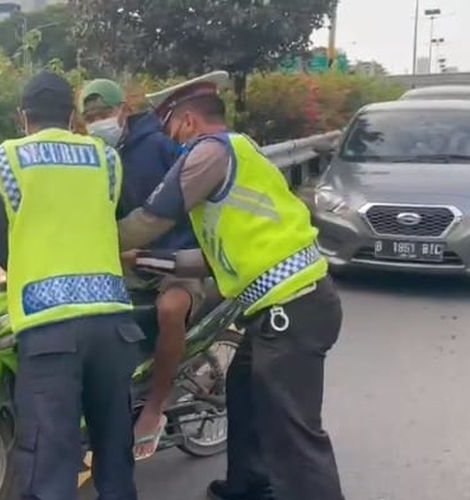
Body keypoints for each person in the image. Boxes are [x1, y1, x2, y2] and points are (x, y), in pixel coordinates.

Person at [118, 72, 345, 500]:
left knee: (293, 432)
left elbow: (149, 220)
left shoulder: (209, 152)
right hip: (287, 306)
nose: (170, 140)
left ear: (186, 121)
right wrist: (145, 260)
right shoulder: (239, 154)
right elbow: (211, 260)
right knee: (243, 391)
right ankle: (248, 485)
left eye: (169, 127)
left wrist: (92, 241)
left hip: (293, 308)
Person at [0, 71, 143, 500]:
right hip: (112, 324)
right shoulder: (105, 158)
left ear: (22, 117)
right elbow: (118, 219)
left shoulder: (6, 160)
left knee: (50, 458)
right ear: (72, 116)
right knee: (113, 450)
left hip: (49, 327)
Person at [79, 79, 205, 459]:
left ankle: (155, 408)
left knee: (169, 311)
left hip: (178, 258)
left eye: (104, 114)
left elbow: (181, 206)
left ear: (124, 109)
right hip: (125, 263)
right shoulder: (91, 156)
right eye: (90, 117)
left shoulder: (160, 147)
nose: (99, 122)